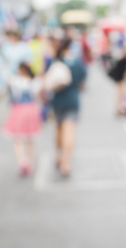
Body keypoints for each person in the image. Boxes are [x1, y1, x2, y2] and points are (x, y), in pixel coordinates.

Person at [49, 38, 87, 176]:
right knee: (69, 131)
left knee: (59, 129)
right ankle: (66, 162)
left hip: (58, 101)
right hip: (72, 100)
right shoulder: (77, 63)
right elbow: (82, 82)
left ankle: (59, 155)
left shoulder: (57, 61)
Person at [2, 62, 42, 176]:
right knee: (30, 139)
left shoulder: (16, 81)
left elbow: (6, 76)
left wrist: (4, 66)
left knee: (17, 138)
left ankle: (21, 160)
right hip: (31, 110)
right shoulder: (34, 83)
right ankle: (30, 162)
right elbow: (38, 96)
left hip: (18, 110)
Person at [108, 44, 126, 115]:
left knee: (121, 93)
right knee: (120, 93)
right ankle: (119, 109)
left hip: (119, 76)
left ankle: (120, 109)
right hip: (118, 76)